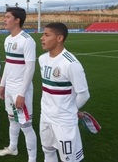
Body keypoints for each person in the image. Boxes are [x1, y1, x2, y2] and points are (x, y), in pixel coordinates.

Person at [38, 22, 90, 162]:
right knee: (47, 150)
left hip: (64, 122)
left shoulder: (71, 63)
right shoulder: (42, 59)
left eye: (46, 35)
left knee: (69, 159)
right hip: (45, 117)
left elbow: (84, 94)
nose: (42, 38)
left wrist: (71, 110)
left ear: (59, 38)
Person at [0, 7, 37, 162]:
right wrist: (2, 85)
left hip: (21, 89)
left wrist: (21, 93)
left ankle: (32, 159)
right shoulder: (7, 40)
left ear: (17, 20)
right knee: (12, 118)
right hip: (9, 88)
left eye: (7, 17)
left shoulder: (26, 40)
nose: (4, 20)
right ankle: (13, 148)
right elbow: (8, 64)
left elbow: (30, 68)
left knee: (26, 125)